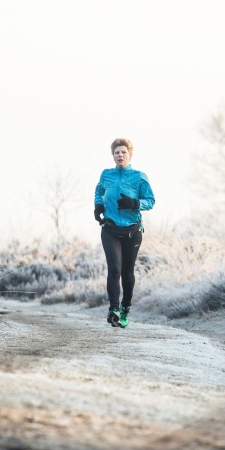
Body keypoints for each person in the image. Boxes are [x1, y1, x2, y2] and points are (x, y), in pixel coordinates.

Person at [93, 138, 155, 328]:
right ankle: (113, 310)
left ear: (130, 154)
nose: (120, 155)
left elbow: (150, 201)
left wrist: (135, 204)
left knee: (127, 273)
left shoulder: (139, 177)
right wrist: (98, 206)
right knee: (114, 270)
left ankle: (125, 309)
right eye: (116, 152)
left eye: (123, 152)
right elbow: (99, 191)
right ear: (113, 155)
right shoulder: (106, 174)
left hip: (132, 231)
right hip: (110, 229)